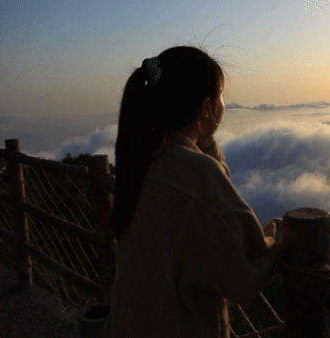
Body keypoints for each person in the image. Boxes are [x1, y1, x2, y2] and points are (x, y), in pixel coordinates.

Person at [104, 46, 284, 338]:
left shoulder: (142, 159)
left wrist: (207, 139)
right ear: (206, 107)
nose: (224, 104)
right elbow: (245, 272)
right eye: (221, 96)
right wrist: (281, 236)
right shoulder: (196, 174)